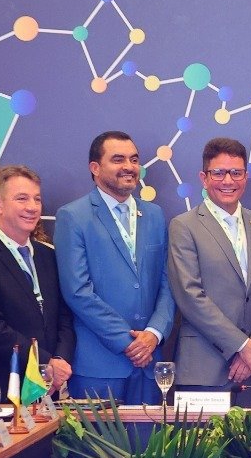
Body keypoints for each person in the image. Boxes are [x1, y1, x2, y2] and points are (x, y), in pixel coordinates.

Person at [54, 131, 175, 403]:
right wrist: (127, 342)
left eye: (134, 159)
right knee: (99, 435)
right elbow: (77, 291)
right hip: (99, 366)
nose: (129, 167)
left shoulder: (155, 215)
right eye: (118, 159)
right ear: (95, 168)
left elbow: (168, 282)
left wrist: (154, 334)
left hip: (150, 364)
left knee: (151, 434)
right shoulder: (73, 216)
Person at [166, 137, 251, 404]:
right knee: (201, 436)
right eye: (219, 173)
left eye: (236, 173)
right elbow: (189, 296)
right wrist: (241, 346)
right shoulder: (184, 226)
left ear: (246, 176)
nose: (228, 181)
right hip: (204, 369)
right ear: (204, 178)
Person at [0, 165, 75, 393]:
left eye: (37, 199)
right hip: (7, 387)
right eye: (22, 199)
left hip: (51, 386)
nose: (32, 207)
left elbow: (64, 316)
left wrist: (60, 359)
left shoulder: (48, 255)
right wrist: (44, 363)